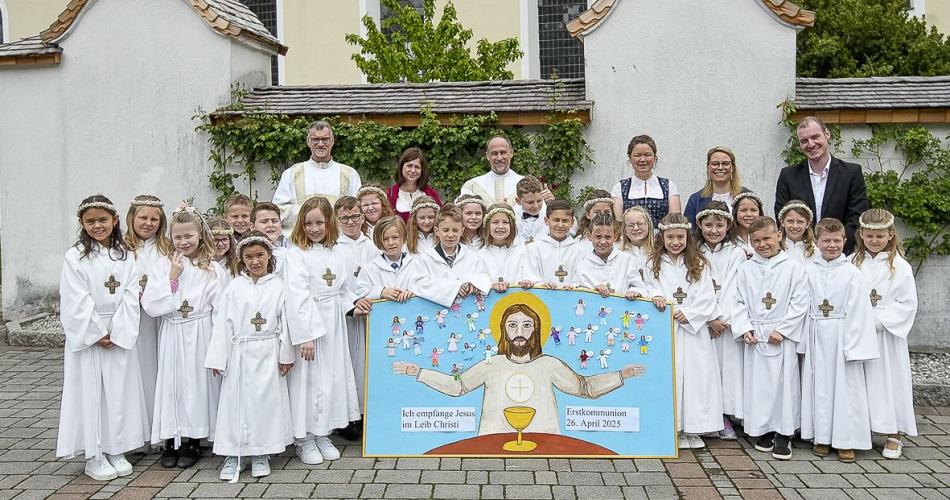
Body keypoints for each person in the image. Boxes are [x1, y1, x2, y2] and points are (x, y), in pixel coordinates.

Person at [392, 298, 645, 435]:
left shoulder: (549, 365)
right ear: (503, 330)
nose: (519, 332)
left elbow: (585, 387)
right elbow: (457, 387)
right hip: (493, 440)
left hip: (544, 441)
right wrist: (420, 373)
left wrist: (621, 375)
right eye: (512, 325)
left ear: (536, 330)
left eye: (526, 325)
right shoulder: (492, 364)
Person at [58, 195, 149, 481]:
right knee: (92, 392)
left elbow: (131, 294)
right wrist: (96, 332)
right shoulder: (75, 257)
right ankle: (94, 453)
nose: (97, 226)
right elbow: (74, 298)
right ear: (82, 224)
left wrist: (119, 330)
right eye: (90, 221)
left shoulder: (124, 254)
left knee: (119, 392)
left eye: (102, 220)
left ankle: (116, 447)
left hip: (118, 330)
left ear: (115, 221)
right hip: (91, 333)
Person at [142, 203, 226, 469]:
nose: (183, 242)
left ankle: (193, 439)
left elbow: (221, 308)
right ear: (170, 238)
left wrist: (219, 345)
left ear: (200, 234)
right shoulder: (163, 265)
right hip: (174, 331)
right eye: (177, 237)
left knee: (196, 386)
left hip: (201, 331)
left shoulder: (212, 268)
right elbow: (151, 305)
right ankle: (171, 439)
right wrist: (172, 279)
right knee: (173, 386)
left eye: (188, 236)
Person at [205, 232, 294, 481]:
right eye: (249, 257)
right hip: (240, 353)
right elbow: (223, 323)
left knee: (265, 403)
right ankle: (233, 454)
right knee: (235, 402)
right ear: (242, 260)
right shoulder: (234, 287)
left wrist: (286, 354)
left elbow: (286, 322)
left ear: (269, 256)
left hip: (268, 350)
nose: (255, 261)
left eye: (260, 255)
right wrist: (218, 358)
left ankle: (260, 453)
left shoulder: (279, 286)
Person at [284, 197, 362, 465]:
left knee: (332, 378)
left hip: (334, 325)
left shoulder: (340, 252)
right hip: (310, 325)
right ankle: (304, 438)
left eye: (319, 222)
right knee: (309, 381)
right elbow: (297, 296)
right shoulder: (296, 254)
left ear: (330, 222)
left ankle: (323, 432)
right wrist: (305, 335)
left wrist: (354, 305)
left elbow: (343, 290)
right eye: (308, 223)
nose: (314, 228)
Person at [800, 218, 879, 462]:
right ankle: (821, 437)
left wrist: (852, 344)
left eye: (836, 241)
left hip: (842, 334)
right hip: (815, 332)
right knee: (820, 387)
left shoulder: (852, 273)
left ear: (845, 241)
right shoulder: (808, 270)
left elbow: (859, 310)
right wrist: (802, 340)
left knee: (846, 389)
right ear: (816, 241)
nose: (831, 245)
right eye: (826, 240)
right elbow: (801, 304)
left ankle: (846, 440)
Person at [733, 216, 809, 461]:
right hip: (756, 334)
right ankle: (762, 429)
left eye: (767, 238)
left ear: (778, 235)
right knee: (759, 386)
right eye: (756, 240)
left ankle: (784, 433)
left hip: (780, 335)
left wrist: (784, 330)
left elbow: (800, 301)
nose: (762, 244)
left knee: (784, 386)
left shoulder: (793, 267)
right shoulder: (746, 269)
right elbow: (738, 301)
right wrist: (745, 328)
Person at [642, 213, 720, 449]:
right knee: (669, 376)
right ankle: (670, 427)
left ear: (688, 237)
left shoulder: (699, 263)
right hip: (665, 328)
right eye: (670, 237)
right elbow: (645, 287)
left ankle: (692, 428)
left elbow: (708, 296)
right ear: (661, 238)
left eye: (680, 237)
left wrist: (692, 314)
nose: (675, 242)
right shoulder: (651, 263)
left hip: (692, 331)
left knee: (696, 378)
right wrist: (654, 296)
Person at [852, 209, 919, 459]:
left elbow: (907, 303)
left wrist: (879, 321)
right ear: (861, 234)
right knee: (862, 382)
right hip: (859, 333)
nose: (874, 241)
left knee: (889, 382)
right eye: (869, 236)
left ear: (890, 235)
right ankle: (863, 429)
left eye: (880, 236)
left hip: (885, 335)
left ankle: (894, 433)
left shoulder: (899, 267)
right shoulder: (852, 262)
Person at [774, 116, 869, 253]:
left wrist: (834, 247)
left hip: (840, 254)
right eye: (804, 141)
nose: (811, 144)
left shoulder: (851, 173)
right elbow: (782, 217)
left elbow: (856, 218)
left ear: (827, 134)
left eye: (815, 137)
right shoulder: (788, 176)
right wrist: (805, 247)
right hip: (800, 254)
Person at [695, 201, 748, 440]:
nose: (713, 230)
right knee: (706, 372)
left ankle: (728, 414)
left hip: (725, 322)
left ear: (728, 225)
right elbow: (696, 287)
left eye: (719, 224)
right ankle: (710, 417)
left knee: (727, 371)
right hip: (704, 322)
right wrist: (709, 318)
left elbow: (733, 288)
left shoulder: (736, 253)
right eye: (708, 225)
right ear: (700, 225)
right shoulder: (694, 251)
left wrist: (721, 318)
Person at [124, 194, 173, 430]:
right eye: (143, 217)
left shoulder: (168, 248)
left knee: (161, 369)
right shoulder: (122, 249)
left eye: (155, 219)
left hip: (161, 320)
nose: (148, 223)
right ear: (131, 218)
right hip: (134, 320)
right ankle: (139, 429)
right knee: (138, 372)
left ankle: (162, 427)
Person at [273, 121, 362, 234]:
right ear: (308, 141)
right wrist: (313, 214)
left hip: (339, 241)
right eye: (315, 139)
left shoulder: (349, 174)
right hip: (302, 240)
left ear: (332, 140)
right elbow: (279, 210)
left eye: (325, 139)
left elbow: (357, 210)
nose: (320, 144)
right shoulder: (292, 173)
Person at [408, 204, 492, 307]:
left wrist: (472, 284)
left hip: (467, 310)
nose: (451, 235)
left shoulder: (471, 255)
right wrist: (454, 288)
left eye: (455, 230)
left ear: (461, 231)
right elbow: (418, 284)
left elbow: (484, 276)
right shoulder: (426, 258)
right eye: (445, 230)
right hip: (436, 311)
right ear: (437, 231)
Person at [460, 135, 553, 205]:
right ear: (487, 156)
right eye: (494, 153)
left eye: (503, 152)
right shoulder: (472, 186)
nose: (499, 158)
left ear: (511, 153)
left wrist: (550, 203)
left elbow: (540, 216)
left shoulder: (527, 184)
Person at [611, 134, 682, 226]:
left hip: (660, 239)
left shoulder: (669, 186)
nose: (643, 159)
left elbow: (675, 222)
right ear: (630, 158)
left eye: (647, 155)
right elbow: (618, 223)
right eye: (637, 155)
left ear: (655, 158)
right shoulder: (619, 188)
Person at [573, 213, 646, 300]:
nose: (603, 241)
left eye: (607, 237)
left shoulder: (627, 260)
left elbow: (639, 287)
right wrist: (593, 291)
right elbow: (577, 293)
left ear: (615, 237)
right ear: (590, 236)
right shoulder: (582, 265)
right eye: (598, 237)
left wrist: (634, 291)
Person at [523, 200, 582, 288]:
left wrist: (573, 286)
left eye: (565, 221)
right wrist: (541, 285)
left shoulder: (579, 250)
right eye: (556, 220)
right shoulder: (533, 249)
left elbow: (581, 277)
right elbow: (530, 276)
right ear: (546, 220)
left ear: (572, 223)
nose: (560, 225)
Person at [684, 147, 749, 226]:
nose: (720, 168)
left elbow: (758, 227)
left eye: (725, 164)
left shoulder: (746, 196)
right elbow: (690, 233)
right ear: (708, 168)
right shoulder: (696, 200)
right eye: (715, 164)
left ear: (732, 168)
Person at [478, 203, 527, 292]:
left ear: (512, 226)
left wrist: (526, 282)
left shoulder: (523, 252)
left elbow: (528, 276)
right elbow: (478, 279)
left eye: (505, 222)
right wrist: (491, 285)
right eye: (495, 222)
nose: (500, 227)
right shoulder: (480, 255)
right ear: (487, 226)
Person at [387, 147, 442, 221]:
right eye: (409, 166)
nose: (413, 170)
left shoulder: (430, 193)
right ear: (401, 167)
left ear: (422, 170)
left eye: (417, 167)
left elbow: (441, 218)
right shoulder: (389, 194)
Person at [619, 206, 654, 272]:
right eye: (630, 225)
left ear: (648, 225)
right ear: (624, 230)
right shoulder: (619, 253)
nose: (636, 228)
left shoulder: (658, 251)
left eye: (640, 224)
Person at [513, 175, 546, 244]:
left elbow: (572, 230)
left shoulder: (549, 212)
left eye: (539, 201)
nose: (536, 206)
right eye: (530, 202)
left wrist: (555, 204)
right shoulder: (512, 215)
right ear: (518, 201)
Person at [732, 192, 764, 258]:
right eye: (743, 210)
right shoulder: (729, 238)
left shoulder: (766, 237)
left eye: (753, 210)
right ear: (735, 213)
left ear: (759, 213)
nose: (749, 214)